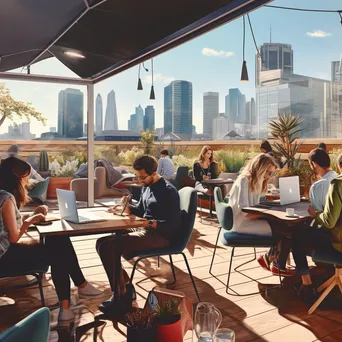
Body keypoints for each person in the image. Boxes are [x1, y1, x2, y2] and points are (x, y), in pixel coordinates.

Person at [0, 157, 102, 325]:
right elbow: (13, 237)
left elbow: (5, 225)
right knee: (58, 245)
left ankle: (74, 297)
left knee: (57, 242)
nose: (28, 180)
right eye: (26, 176)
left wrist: (30, 217)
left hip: (4, 255)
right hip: (5, 259)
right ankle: (72, 299)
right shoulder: (7, 198)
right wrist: (30, 221)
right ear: (17, 178)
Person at [96, 155, 181, 316]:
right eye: (138, 176)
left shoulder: (169, 191)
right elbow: (141, 210)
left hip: (160, 236)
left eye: (142, 177)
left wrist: (149, 223)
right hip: (143, 229)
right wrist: (127, 207)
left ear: (154, 172)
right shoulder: (147, 187)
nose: (139, 180)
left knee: (108, 247)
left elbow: (174, 225)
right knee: (101, 243)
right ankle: (125, 287)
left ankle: (120, 297)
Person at [229, 153, 294, 277]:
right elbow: (245, 211)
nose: (269, 176)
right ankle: (276, 264)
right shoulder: (243, 180)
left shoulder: (256, 181)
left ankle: (271, 259)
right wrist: (267, 214)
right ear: (260, 169)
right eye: (269, 173)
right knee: (285, 230)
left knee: (283, 225)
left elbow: (254, 207)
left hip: (249, 219)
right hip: (242, 223)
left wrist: (268, 210)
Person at [291, 153, 342, 305]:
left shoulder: (338, 184)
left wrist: (315, 214)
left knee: (297, 237)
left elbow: (328, 221)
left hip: (339, 246)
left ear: (340, 166)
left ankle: (307, 285)